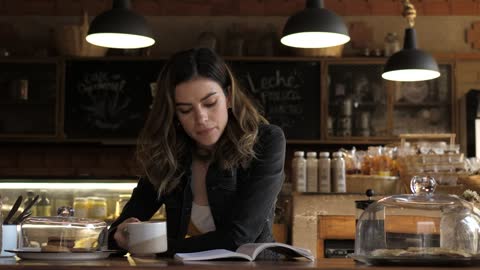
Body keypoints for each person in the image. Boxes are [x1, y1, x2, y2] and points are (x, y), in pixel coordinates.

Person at [108, 47, 286, 257]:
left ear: (228, 96)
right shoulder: (168, 153)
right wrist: (119, 236)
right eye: (185, 109)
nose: (201, 118)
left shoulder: (266, 141)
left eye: (210, 103)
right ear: (174, 112)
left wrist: (157, 248)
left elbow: (238, 238)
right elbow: (119, 232)